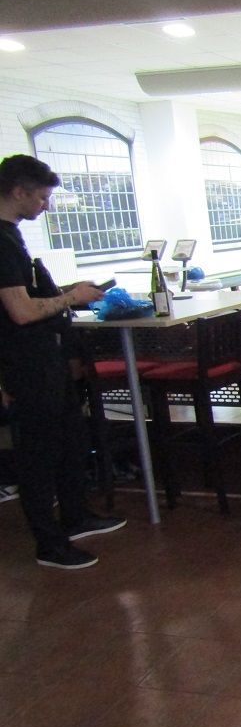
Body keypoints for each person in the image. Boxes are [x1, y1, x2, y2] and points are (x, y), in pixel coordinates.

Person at [0, 154, 126, 569]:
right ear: (18, 191)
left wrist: (67, 292)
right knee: (39, 454)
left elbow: (30, 297)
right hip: (24, 363)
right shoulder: (1, 242)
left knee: (71, 439)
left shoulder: (13, 236)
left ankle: (75, 517)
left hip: (45, 356)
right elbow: (21, 311)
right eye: (42, 198)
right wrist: (71, 298)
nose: (46, 206)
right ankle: (49, 544)